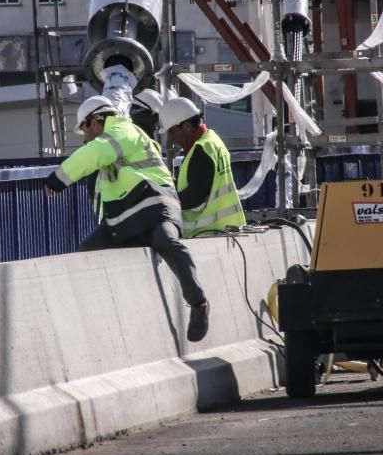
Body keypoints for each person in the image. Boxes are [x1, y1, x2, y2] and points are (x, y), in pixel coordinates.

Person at [44, 95, 210, 342]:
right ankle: (93, 323)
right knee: (87, 251)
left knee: (166, 241)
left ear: (96, 121)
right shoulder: (112, 143)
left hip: (156, 206)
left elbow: (95, 153)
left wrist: (59, 178)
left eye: (84, 129)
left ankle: (198, 303)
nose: (85, 137)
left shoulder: (122, 132)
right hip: (127, 217)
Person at [160, 97, 246, 238]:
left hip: (206, 233)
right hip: (224, 229)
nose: (171, 139)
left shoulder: (201, 149)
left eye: (172, 131)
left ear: (186, 126)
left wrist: (164, 199)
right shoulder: (212, 141)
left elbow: (194, 197)